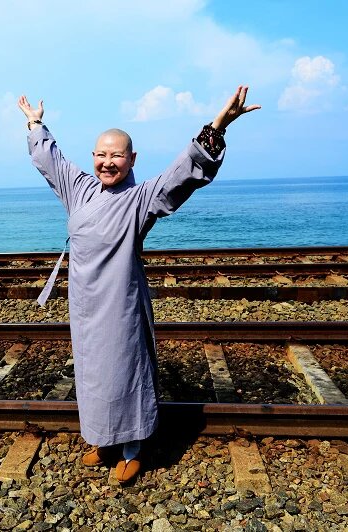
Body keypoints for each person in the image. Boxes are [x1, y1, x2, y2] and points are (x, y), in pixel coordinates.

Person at [18, 87, 260, 484]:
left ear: (131, 159)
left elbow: (182, 174)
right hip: (84, 306)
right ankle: (103, 440)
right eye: (101, 154)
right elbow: (50, 160)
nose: (107, 162)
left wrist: (218, 126)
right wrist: (35, 122)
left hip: (121, 305)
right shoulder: (79, 189)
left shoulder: (141, 198)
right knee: (93, 375)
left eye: (116, 155)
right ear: (93, 156)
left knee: (124, 372)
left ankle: (132, 448)